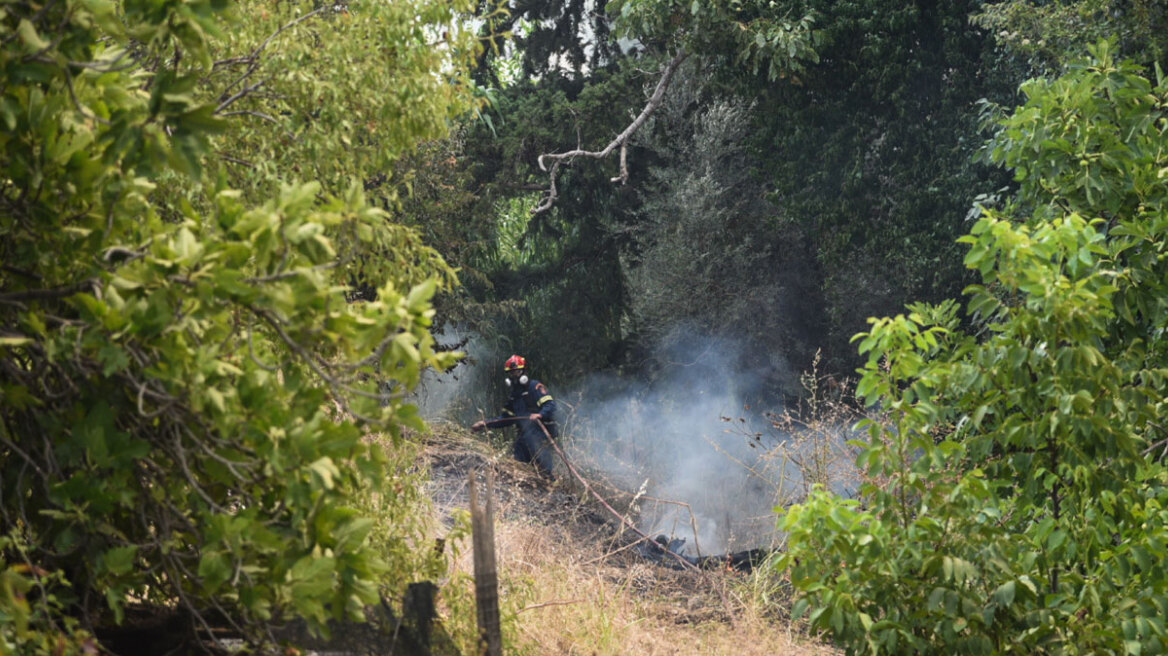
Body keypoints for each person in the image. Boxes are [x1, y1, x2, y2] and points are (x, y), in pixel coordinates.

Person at [471, 355, 559, 479]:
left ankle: (551, 485)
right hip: (524, 436)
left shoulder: (535, 387)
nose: (514, 376)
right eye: (511, 373)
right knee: (520, 466)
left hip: (539, 433)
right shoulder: (514, 396)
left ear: (524, 372)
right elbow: (505, 418)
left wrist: (540, 414)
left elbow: (550, 405)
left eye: (517, 372)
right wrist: (484, 423)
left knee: (544, 467)